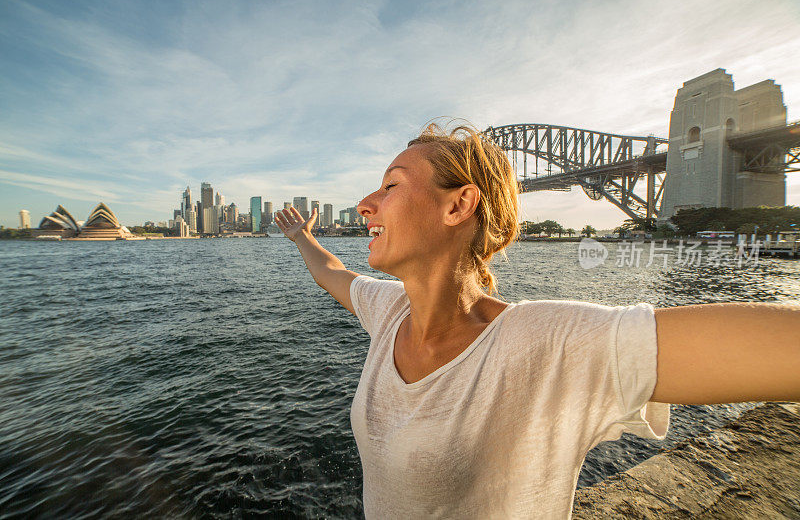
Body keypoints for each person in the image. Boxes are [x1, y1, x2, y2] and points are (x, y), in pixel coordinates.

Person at [274, 123, 800, 519]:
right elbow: (332, 273)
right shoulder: (388, 310)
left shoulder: (540, 343)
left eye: (389, 185)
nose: (365, 204)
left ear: (459, 206)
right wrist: (301, 237)